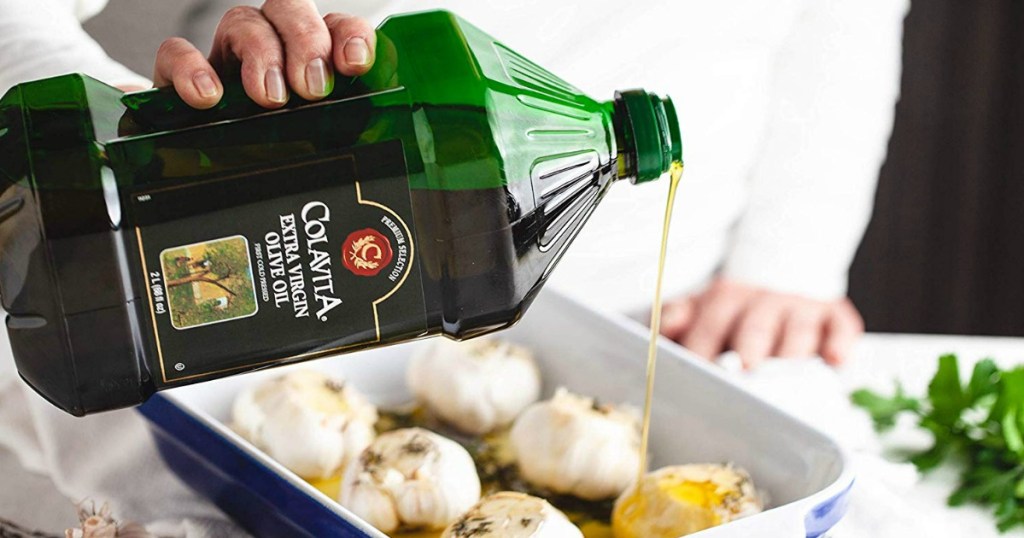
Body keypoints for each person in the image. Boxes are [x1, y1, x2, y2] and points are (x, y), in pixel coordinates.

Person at [0, 0, 907, 370]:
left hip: (670, 327)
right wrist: (119, 132)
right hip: (264, 321)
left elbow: (846, 22)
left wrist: (791, 260)